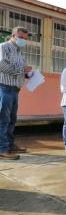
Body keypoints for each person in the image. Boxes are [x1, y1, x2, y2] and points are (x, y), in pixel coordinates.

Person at [0, 26, 32, 160]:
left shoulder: (19, 52)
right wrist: (22, 69)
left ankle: (10, 145)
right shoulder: (3, 47)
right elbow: (2, 65)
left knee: (12, 119)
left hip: (15, 89)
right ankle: (2, 149)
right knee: (3, 119)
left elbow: (20, 71)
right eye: (20, 37)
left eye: (25, 38)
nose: (23, 40)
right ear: (13, 36)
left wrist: (28, 74)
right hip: (4, 88)